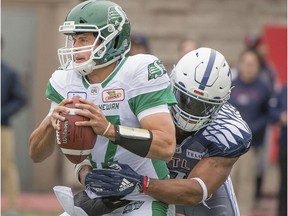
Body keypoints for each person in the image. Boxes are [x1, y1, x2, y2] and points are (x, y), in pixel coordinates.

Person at [28, 0, 176, 215]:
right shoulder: (66, 80)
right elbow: (36, 154)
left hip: (144, 196)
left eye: (84, 39)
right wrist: (49, 125)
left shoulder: (138, 72)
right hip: (100, 196)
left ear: (112, 40)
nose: (75, 47)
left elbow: (166, 146)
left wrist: (109, 130)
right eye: (74, 40)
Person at [86, 47, 252, 216]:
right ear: (171, 83)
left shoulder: (228, 131)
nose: (191, 112)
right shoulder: (150, 102)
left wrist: (141, 183)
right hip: (143, 190)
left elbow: (195, 192)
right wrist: (84, 172)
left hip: (202, 197)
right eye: (185, 99)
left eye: (203, 106)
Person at [229, 48, 272, 215]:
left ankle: (244, 212)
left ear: (258, 67)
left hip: (250, 145)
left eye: (252, 64)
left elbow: (268, 114)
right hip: (228, 144)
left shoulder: (263, 88)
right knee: (228, 179)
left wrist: (251, 129)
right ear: (240, 64)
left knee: (246, 181)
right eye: (246, 63)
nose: (248, 67)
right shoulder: (231, 85)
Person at [1, 60, 26, 215]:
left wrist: (2, 114)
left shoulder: (9, 72)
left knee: (8, 166)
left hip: (3, 128)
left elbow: (20, 98)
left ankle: (11, 207)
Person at [269, 84, 287, 216]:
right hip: (285, 144)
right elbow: (272, 110)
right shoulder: (284, 91)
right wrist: (280, 116)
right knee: (285, 181)